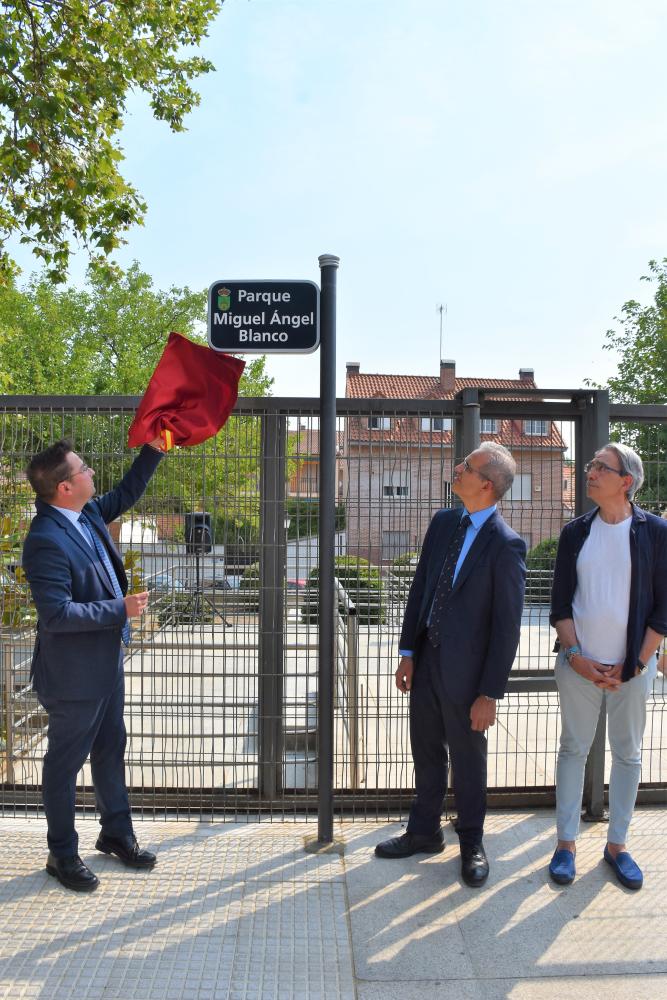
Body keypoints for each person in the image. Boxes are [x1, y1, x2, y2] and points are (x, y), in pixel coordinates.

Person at [375, 442, 526, 887]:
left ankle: (472, 842)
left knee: (467, 760)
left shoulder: (506, 545)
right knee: (425, 750)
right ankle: (423, 832)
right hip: (426, 661)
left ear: (487, 484)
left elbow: (507, 628)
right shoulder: (443, 522)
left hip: (469, 678)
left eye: (468, 466)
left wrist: (490, 693)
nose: (457, 469)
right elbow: (421, 588)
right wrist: (407, 653)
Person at [22, 437, 165, 892]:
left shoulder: (84, 515)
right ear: (65, 487)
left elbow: (125, 493)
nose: (91, 472)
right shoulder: (45, 540)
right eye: (82, 468)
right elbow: (57, 614)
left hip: (105, 663)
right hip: (73, 677)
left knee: (110, 748)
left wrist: (154, 451)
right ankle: (62, 854)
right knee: (64, 765)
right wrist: (121, 608)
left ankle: (115, 833)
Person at [548, 443, 667, 891]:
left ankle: (617, 845)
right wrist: (576, 657)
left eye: (601, 467)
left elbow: (663, 610)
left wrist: (637, 663)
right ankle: (565, 844)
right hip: (578, 666)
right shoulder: (575, 532)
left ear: (626, 482)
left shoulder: (657, 533)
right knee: (573, 750)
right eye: (591, 464)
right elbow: (560, 605)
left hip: (633, 669)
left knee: (628, 753)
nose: (590, 471)